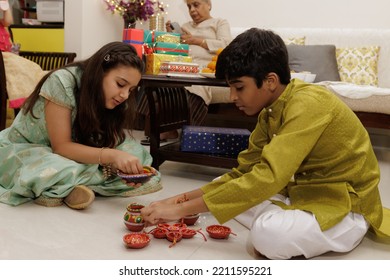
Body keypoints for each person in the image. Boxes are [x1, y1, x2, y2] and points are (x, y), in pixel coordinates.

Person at [140, 28, 390, 259]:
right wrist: (177, 200)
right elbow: (244, 172)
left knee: (267, 235)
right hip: (301, 193)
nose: (232, 97)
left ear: (270, 81)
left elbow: (269, 177)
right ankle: (278, 215)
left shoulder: (309, 103)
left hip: (343, 206)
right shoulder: (270, 111)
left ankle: (287, 220)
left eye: (239, 87)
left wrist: (177, 212)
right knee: (222, 185)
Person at [0, 42, 162, 210]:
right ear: (100, 72)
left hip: (79, 145)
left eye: (131, 90)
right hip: (33, 148)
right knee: (56, 165)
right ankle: (73, 183)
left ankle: (71, 185)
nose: (124, 95)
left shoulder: (115, 97)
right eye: (121, 84)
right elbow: (61, 146)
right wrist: (111, 157)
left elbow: (108, 140)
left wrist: (118, 164)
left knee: (135, 153)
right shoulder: (62, 81)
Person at [139, 0, 232, 142]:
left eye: (196, 4)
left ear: (209, 4)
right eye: (189, 6)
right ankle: (167, 129)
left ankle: (189, 134)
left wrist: (196, 40)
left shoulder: (219, 23)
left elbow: (227, 46)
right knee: (157, 78)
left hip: (208, 71)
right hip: (184, 67)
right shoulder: (185, 27)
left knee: (194, 85)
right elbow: (175, 51)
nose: (192, 10)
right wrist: (171, 37)